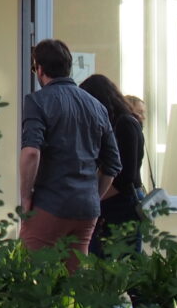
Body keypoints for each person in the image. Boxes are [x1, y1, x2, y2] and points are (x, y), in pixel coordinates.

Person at [19, 39, 122, 273]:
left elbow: (31, 153)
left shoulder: (38, 101)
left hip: (50, 202)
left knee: (31, 276)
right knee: (75, 280)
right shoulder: (96, 105)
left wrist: (26, 198)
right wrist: (94, 195)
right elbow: (113, 164)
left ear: (40, 69)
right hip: (86, 209)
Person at [81, 74, 145, 258]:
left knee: (123, 259)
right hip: (114, 201)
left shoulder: (125, 124)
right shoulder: (116, 123)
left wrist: (96, 198)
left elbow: (126, 176)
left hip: (122, 203)